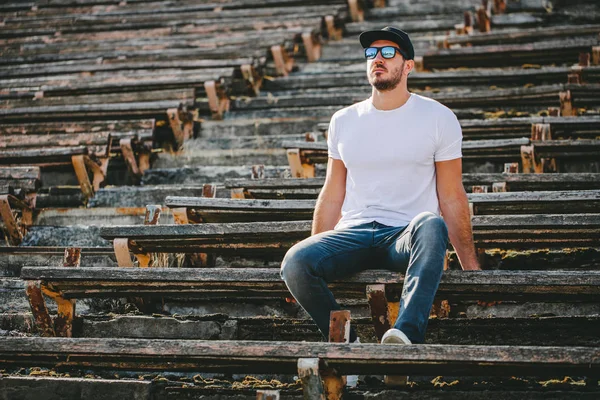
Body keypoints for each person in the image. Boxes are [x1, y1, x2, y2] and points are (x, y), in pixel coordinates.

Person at [280, 26, 481, 352]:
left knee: (431, 224)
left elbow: (452, 195)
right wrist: (313, 251)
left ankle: (405, 335)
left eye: (388, 53)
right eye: (371, 53)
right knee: (294, 261)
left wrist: (471, 269)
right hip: (354, 235)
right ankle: (348, 344)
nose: (377, 59)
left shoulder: (438, 118)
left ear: (408, 65)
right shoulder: (343, 120)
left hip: (405, 236)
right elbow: (332, 193)